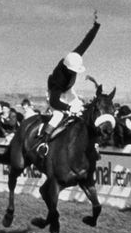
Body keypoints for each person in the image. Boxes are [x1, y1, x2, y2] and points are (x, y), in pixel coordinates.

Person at [38, 11, 101, 155]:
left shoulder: (73, 57)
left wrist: (96, 27)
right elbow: (54, 102)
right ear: (67, 68)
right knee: (59, 115)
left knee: (82, 110)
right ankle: (44, 142)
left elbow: (86, 43)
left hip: (67, 90)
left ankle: (91, 142)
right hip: (55, 94)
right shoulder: (58, 79)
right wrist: (67, 108)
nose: (75, 73)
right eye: (73, 71)